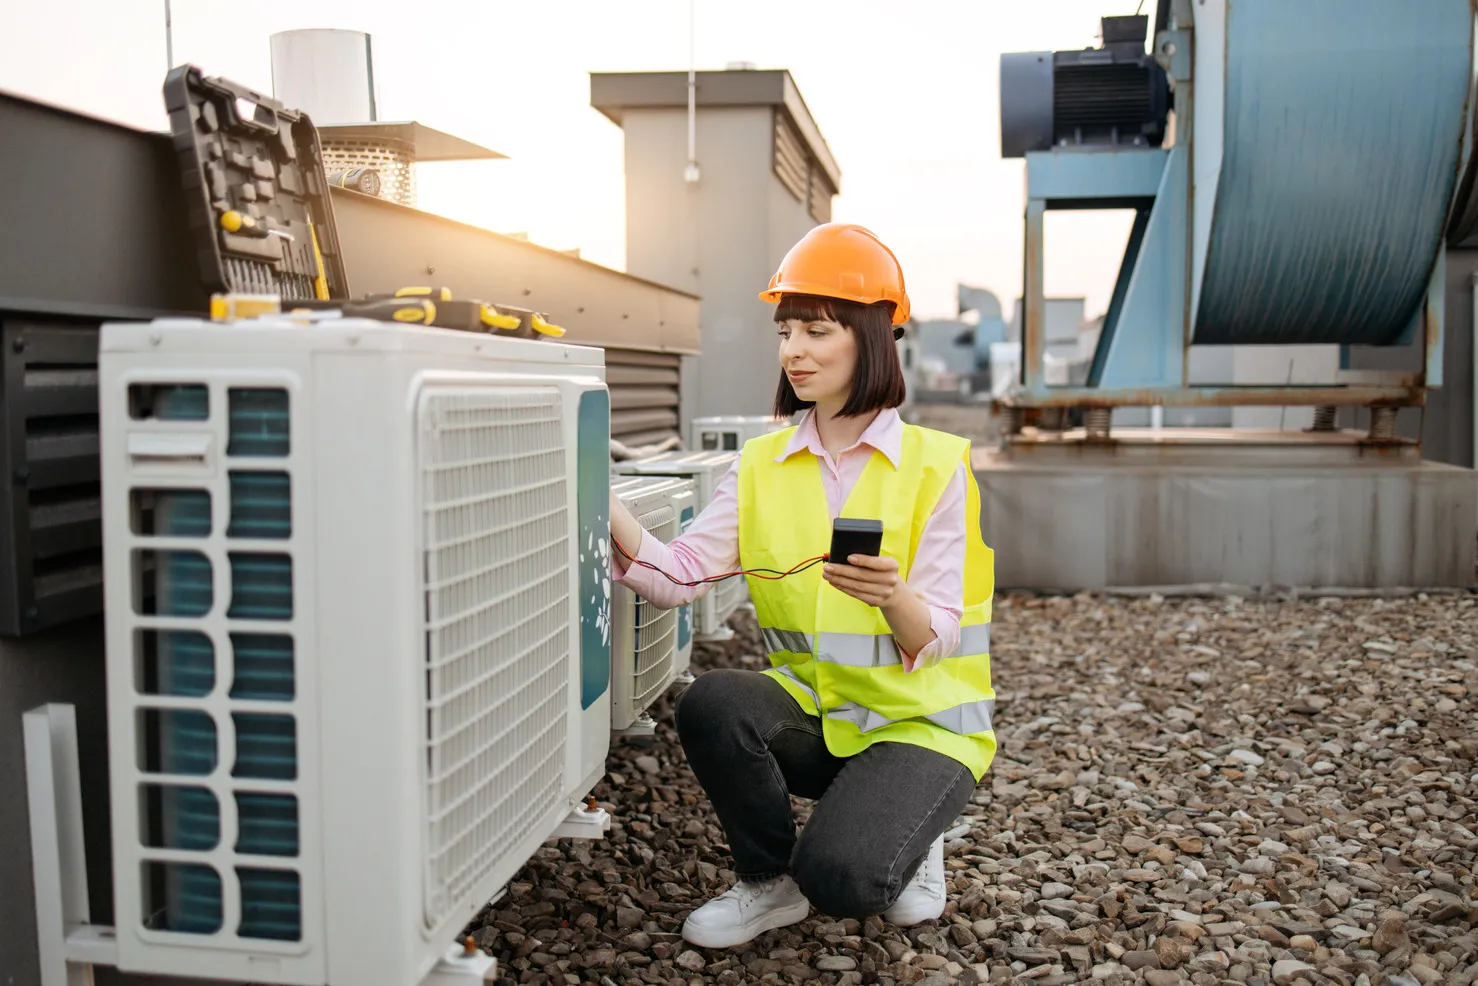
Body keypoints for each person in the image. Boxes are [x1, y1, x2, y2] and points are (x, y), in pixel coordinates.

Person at [609, 223, 997, 949]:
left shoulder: (938, 466)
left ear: (873, 340)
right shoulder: (761, 465)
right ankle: (766, 884)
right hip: (820, 715)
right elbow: (678, 574)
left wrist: (894, 596)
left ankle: (914, 825)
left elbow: (941, 635)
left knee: (848, 883)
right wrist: (604, 505)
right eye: (787, 331)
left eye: (818, 331)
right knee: (715, 701)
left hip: (924, 726)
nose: (794, 351)